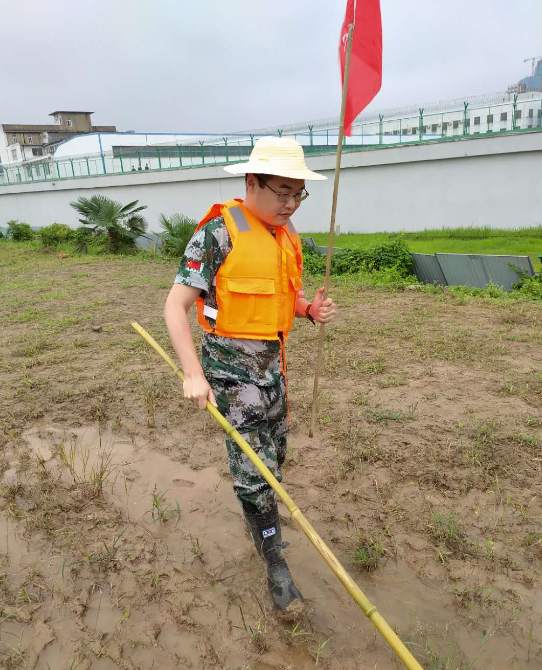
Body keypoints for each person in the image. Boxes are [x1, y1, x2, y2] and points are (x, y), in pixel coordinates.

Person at [164, 137, 337, 616]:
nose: (289, 203)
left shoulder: (286, 234)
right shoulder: (218, 234)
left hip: (273, 370)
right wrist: (192, 375)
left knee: (275, 458)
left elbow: (282, 295)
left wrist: (307, 309)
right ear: (250, 183)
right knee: (257, 471)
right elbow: (174, 306)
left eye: (298, 193)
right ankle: (275, 564)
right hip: (230, 376)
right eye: (281, 191)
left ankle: (260, 518)